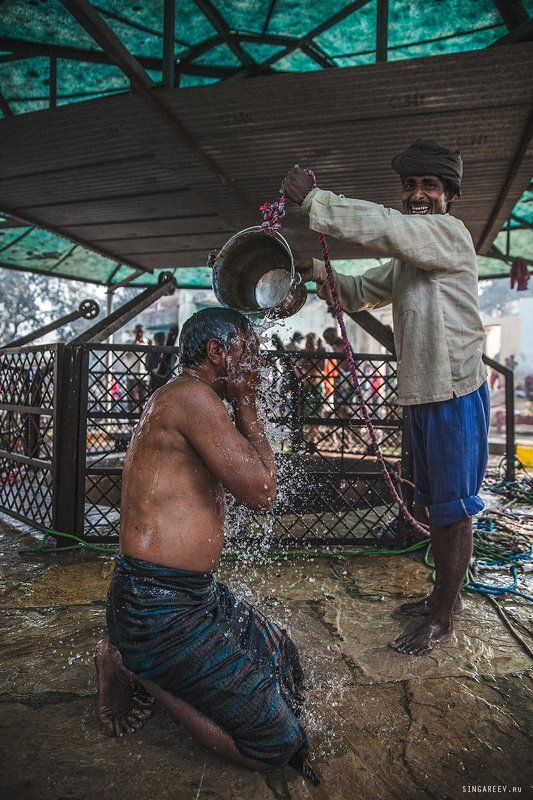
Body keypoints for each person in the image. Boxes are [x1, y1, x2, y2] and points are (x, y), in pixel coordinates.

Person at [281, 139, 489, 656]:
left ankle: (444, 614)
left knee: (453, 508)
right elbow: (362, 290)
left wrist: (316, 203)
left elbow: (388, 228)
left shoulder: (448, 234)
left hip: (455, 391)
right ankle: (444, 596)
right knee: (437, 501)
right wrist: (318, 276)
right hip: (424, 393)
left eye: (430, 186)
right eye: (411, 185)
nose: (418, 194)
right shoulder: (410, 259)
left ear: (449, 197)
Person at [95, 308, 316, 783]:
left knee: (283, 655)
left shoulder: (187, 397)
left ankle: (134, 654)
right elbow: (261, 492)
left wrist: (240, 402)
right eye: (248, 352)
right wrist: (249, 404)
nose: (257, 364)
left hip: (186, 595)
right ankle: (131, 665)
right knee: (276, 746)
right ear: (217, 353)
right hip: (158, 608)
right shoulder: (194, 399)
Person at [124, 324, 152, 413]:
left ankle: (141, 413)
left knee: (143, 395)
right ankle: (130, 414)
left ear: (143, 332)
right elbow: (124, 356)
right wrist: (132, 346)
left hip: (144, 374)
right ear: (134, 332)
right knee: (130, 395)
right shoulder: (129, 343)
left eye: (141, 332)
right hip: (132, 372)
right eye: (137, 332)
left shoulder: (147, 343)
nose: (139, 334)